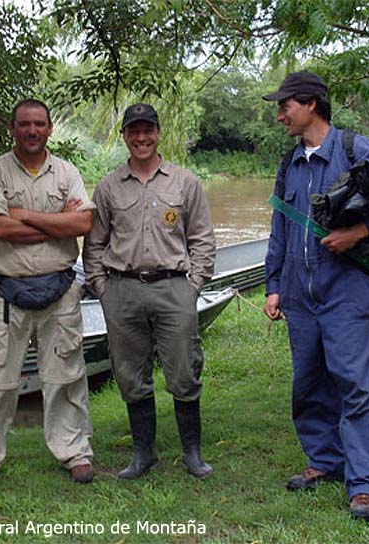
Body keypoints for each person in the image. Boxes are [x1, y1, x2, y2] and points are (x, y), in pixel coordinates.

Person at [262, 72, 369, 521]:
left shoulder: (357, 151)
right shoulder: (289, 162)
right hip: (299, 294)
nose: (279, 115)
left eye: (285, 105)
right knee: (309, 383)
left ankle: (364, 484)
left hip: (350, 293)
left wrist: (359, 232)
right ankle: (325, 462)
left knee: (358, 386)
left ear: (310, 103)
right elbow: (280, 226)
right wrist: (274, 284)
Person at [0, 99, 95, 489]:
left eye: (39, 124)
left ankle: (74, 451)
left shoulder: (67, 172)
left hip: (60, 291)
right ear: (12, 129)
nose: (32, 131)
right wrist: (56, 226)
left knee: (66, 375)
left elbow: (84, 221)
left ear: (50, 129)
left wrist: (22, 215)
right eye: (25, 124)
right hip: (4, 295)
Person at [83, 103, 216, 479]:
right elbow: (94, 244)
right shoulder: (109, 186)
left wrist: (193, 287)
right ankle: (144, 454)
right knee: (129, 373)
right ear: (125, 136)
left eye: (148, 130)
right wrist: (102, 288)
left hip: (174, 288)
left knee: (184, 370)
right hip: (122, 291)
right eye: (133, 131)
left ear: (158, 133)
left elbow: (202, 239)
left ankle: (192, 453)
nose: (141, 138)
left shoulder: (184, 182)